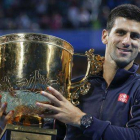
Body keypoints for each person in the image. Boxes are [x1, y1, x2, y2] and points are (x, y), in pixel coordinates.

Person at [1, 3, 140, 140]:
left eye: (134, 36)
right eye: (120, 32)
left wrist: (80, 119)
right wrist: (13, 127)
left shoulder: (137, 89)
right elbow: (47, 136)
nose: (127, 41)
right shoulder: (73, 87)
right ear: (105, 36)